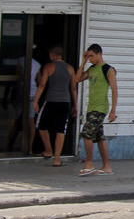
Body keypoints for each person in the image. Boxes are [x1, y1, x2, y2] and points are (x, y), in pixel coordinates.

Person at [75, 43, 117, 176]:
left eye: (92, 56)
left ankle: (89, 163)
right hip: (91, 107)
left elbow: (115, 91)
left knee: (87, 134)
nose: (90, 59)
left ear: (99, 54)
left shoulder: (108, 69)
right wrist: (83, 62)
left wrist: (113, 111)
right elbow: (76, 79)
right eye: (88, 56)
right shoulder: (91, 69)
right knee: (99, 137)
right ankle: (107, 167)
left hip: (100, 108)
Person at [33, 46, 78, 167]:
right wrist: (76, 105)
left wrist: (35, 101)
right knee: (60, 129)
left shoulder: (48, 67)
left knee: (41, 125)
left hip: (50, 101)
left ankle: (48, 150)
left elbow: (42, 85)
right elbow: (73, 88)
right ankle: (57, 159)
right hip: (65, 102)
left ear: (52, 55)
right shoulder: (70, 68)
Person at [4, 53, 41, 154]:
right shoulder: (37, 64)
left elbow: (17, 77)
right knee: (31, 122)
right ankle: (29, 149)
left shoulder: (20, 61)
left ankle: (7, 147)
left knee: (15, 121)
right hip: (33, 93)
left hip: (20, 92)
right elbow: (40, 80)